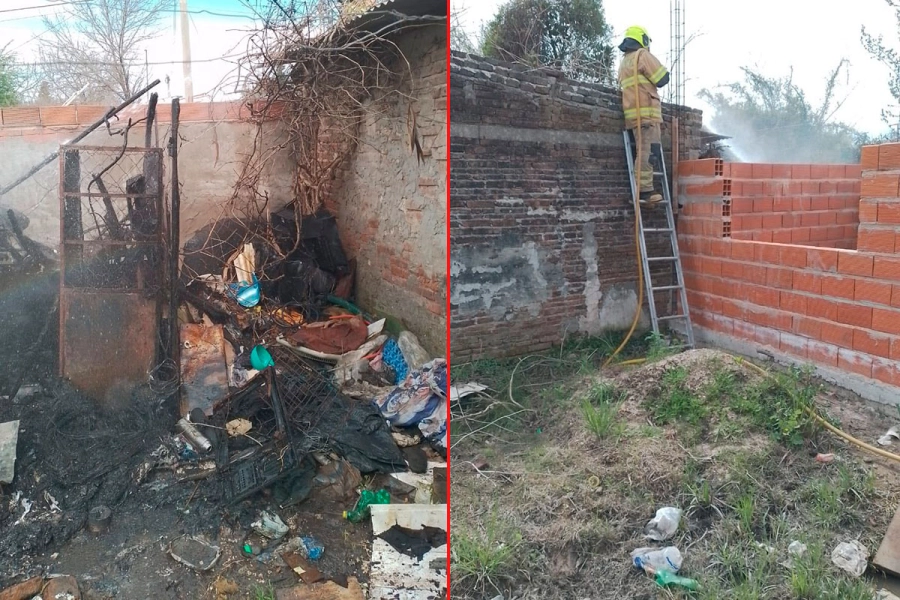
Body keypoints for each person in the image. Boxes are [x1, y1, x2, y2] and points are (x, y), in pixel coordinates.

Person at [617, 26, 670, 205]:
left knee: (644, 151)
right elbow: (662, 79)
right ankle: (646, 191)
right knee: (648, 152)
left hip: (633, 116)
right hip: (647, 114)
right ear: (643, 40)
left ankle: (645, 188)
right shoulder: (642, 56)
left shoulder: (624, 62)